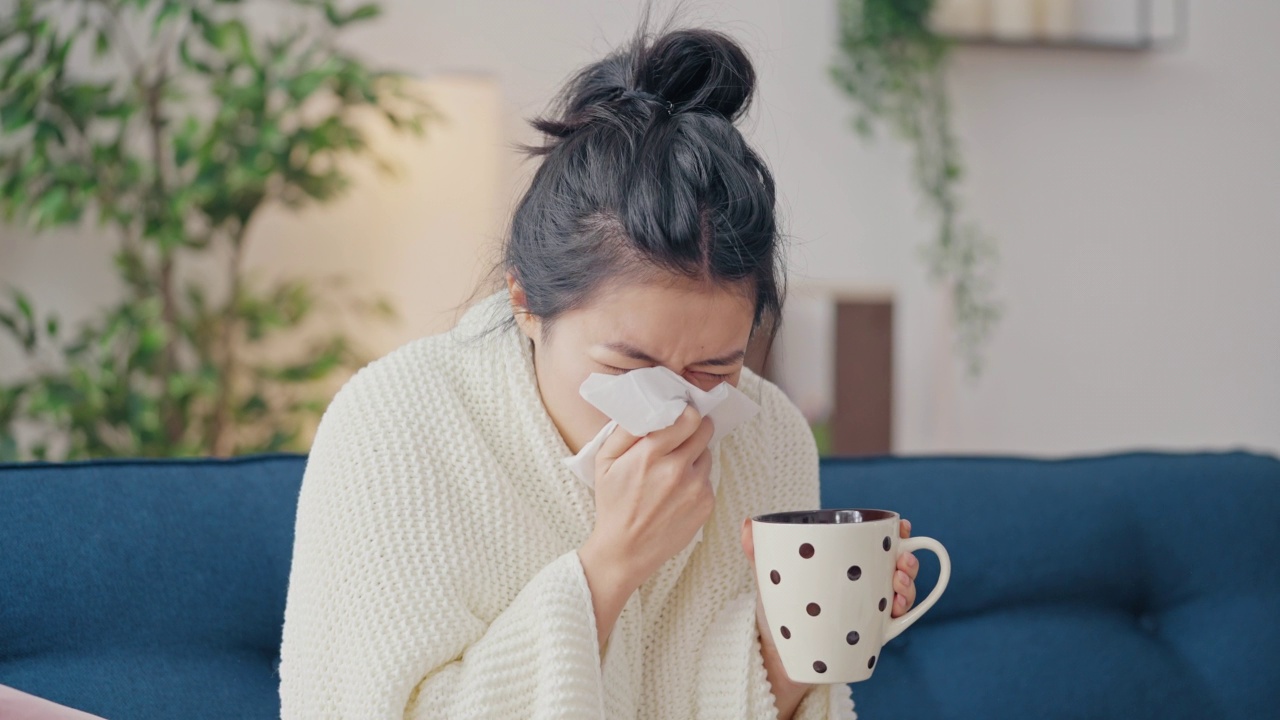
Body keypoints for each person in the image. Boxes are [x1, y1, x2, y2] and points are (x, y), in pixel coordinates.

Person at [278, 20, 920, 720]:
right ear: (525, 299)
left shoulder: (769, 437)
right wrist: (610, 566)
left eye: (714, 368)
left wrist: (807, 633)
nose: (676, 409)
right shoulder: (395, 425)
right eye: (631, 364)